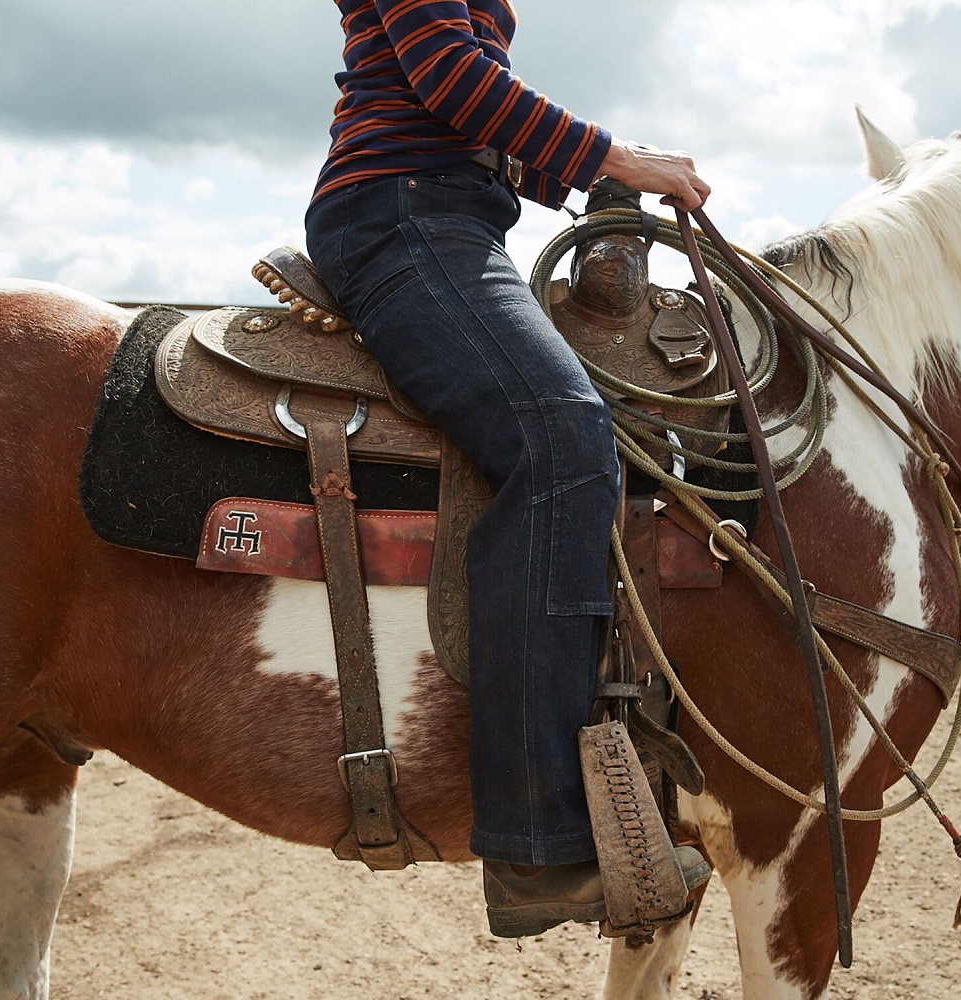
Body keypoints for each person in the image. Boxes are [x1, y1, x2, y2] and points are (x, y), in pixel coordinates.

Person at [305, 0, 712, 938]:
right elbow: (453, 77)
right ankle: (536, 847)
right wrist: (618, 158)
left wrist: (598, 184)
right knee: (565, 444)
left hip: (442, 210)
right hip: (409, 218)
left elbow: (460, 111)